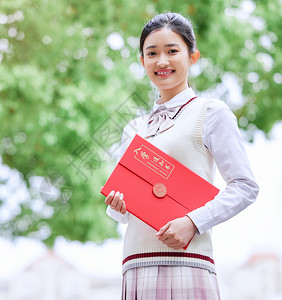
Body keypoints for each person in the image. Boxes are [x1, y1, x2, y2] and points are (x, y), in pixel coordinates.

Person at [103, 12, 259, 299]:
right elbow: (121, 213)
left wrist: (193, 222)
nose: (161, 61)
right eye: (152, 53)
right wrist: (117, 205)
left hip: (188, 262)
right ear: (142, 62)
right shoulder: (134, 128)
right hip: (136, 264)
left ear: (192, 56)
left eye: (172, 51)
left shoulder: (211, 113)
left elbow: (245, 186)